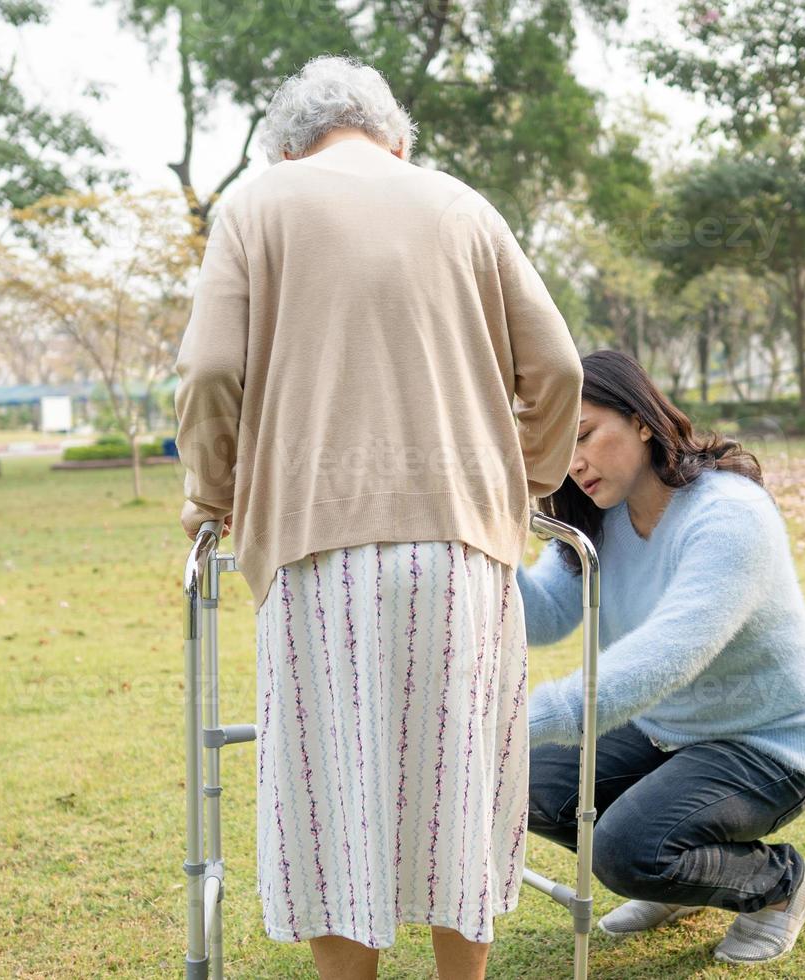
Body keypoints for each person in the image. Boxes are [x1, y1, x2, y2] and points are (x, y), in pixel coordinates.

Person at [172, 54, 583, 980]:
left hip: (316, 550)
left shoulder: (256, 205)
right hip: (463, 548)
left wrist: (211, 500)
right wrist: (520, 480)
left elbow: (205, 374)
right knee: (458, 785)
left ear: (285, 148)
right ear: (397, 138)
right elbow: (556, 367)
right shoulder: (461, 205)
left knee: (330, 793)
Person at [518, 349, 805, 966]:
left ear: (641, 418)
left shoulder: (730, 516)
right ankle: (677, 880)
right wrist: (491, 533)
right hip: (667, 730)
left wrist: (507, 723)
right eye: (560, 448)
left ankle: (781, 887)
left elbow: (657, 661)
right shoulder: (602, 519)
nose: (574, 462)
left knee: (624, 849)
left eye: (584, 434)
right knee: (523, 786)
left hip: (769, 744)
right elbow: (543, 616)